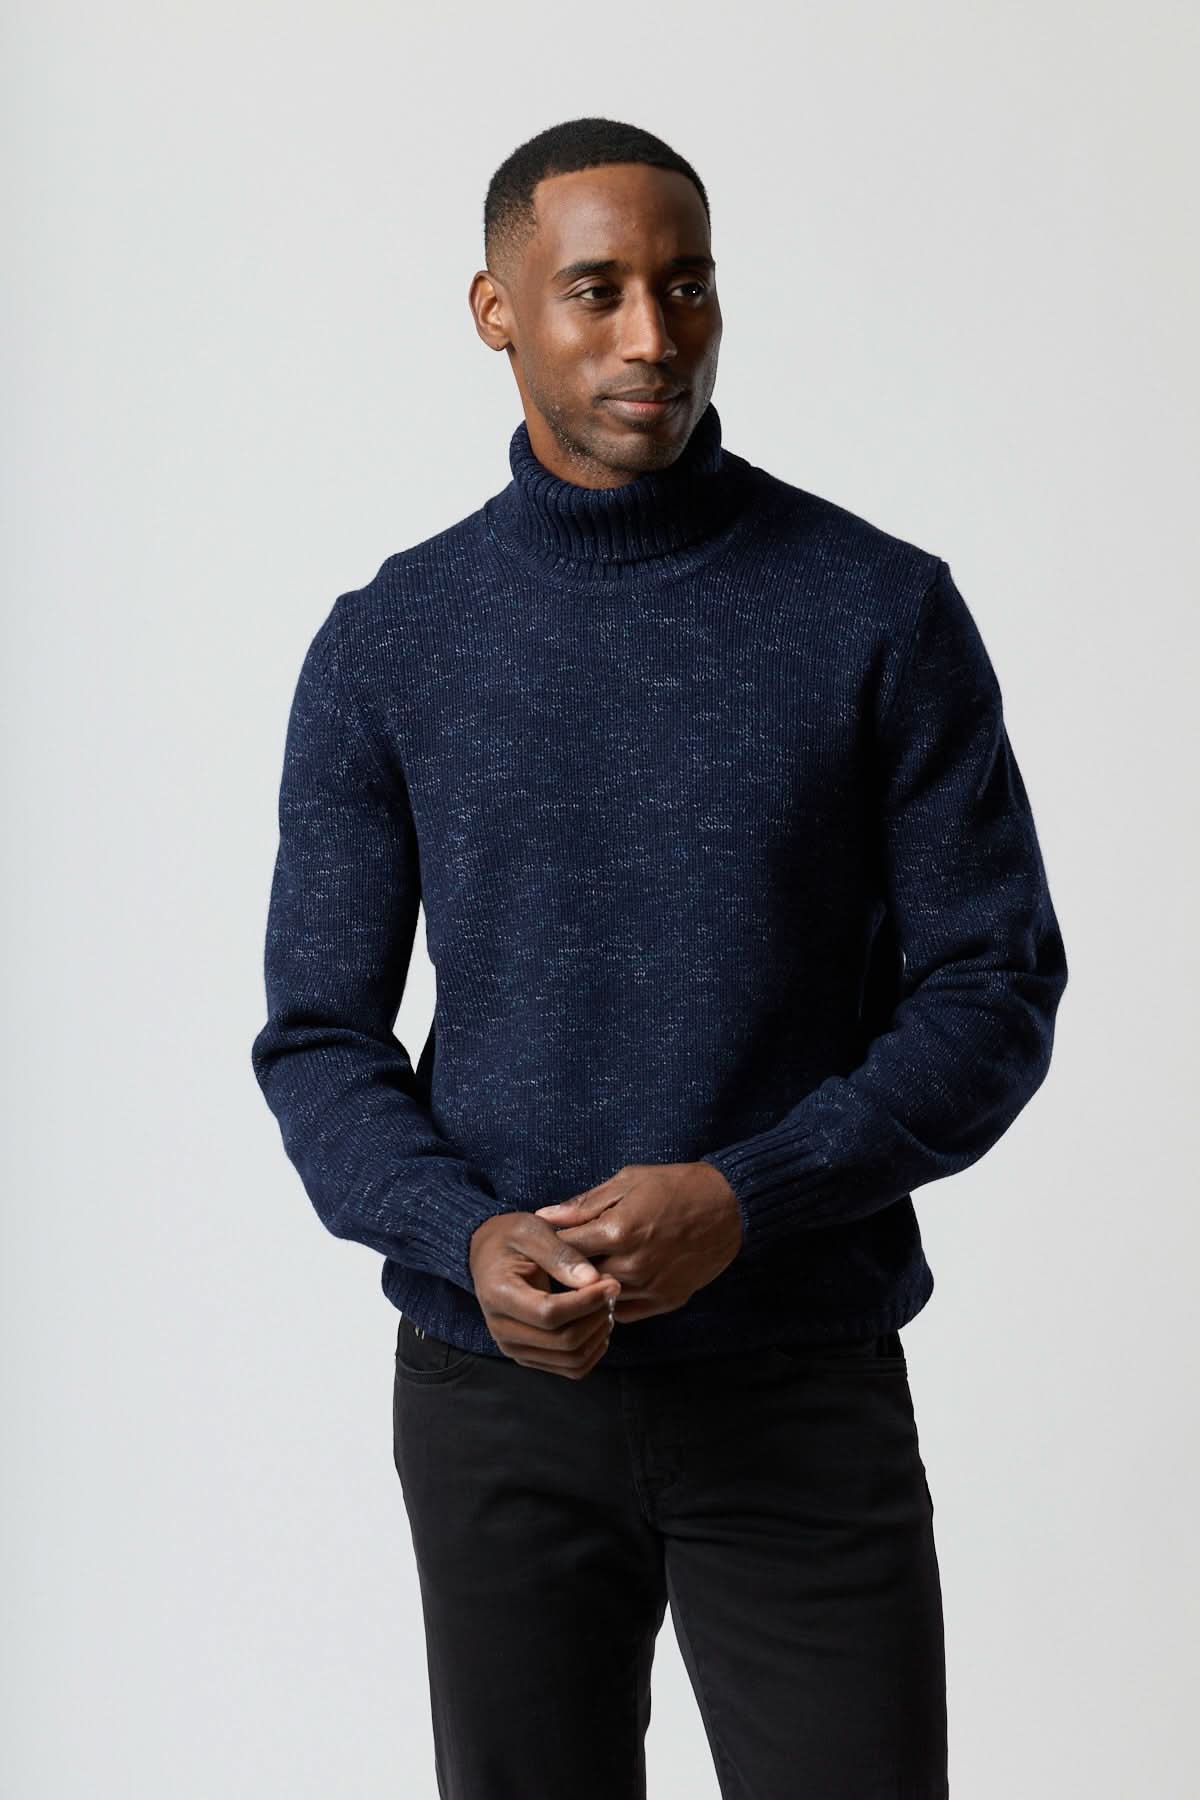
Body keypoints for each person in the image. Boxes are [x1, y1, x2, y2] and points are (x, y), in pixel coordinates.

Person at [251, 115, 1068, 1800]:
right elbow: (319, 1038)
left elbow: (994, 991)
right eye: (598, 290)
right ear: (496, 309)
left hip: (799, 1377)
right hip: (496, 1401)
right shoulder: (390, 644)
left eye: (686, 286)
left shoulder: (878, 609)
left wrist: (748, 1197)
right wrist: (463, 1235)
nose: (652, 336)